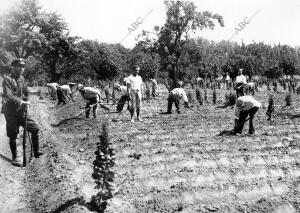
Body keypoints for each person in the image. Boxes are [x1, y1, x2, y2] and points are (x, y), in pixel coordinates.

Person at [1, 58, 43, 167]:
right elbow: (9, 96)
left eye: (23, 67)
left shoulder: (22, 79)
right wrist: (22, 102)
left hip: (21, 111)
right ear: (13, 67)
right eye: (18, 66)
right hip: (11, 112)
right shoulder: (7, 79)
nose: (21, 69)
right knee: (13, 135)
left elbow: (26, 91)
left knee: (35, 128)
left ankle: (36, 152)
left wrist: (27, 100)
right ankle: (15, 157)